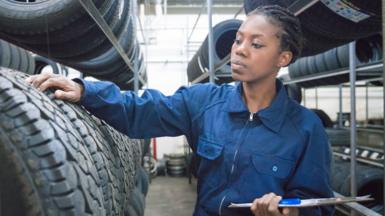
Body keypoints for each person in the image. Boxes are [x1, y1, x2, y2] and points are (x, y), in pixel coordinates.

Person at [26, 5, 334, 216]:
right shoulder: (204, 102)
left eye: (256, 44)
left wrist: (288, 210)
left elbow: (316, 203)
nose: (239, 49)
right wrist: (85, 90)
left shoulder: (306, 129)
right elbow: (141, 110)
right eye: (238, 39)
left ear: (283, 58)